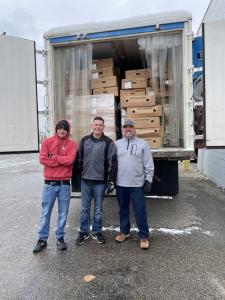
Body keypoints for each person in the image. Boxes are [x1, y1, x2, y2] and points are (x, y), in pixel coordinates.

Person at [33, 120, 77, 253]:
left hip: (64, 185)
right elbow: (42, 159)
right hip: (49, 184)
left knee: (63, 213)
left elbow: (70, 160)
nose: (62, 131)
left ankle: (60, 238)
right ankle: (42, 239)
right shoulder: (47, 142)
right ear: (56, 129)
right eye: (60, 128)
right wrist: (60, 159)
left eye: (64, 128)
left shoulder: (72, 144)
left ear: (68, 130)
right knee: (46, 212)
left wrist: (54, 158)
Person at [75, 116, 117, 245]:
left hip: (100, 182)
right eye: (96, 124)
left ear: (103, 127)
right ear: (92, 126)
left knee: (98, 209)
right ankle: (83, 232)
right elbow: (78, 160)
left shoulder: (109, 143)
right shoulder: (84, 141)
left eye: (100, 125)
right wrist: (77, 179)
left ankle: (97, 231)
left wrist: (111, 180)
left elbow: (112, 162)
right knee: (84, 209)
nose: (98, 127)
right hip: (85, 181)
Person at [115, 119, 154, 250]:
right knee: (123, 210)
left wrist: (149, 179)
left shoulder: (143, 144)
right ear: (122, 130)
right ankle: (124, 231)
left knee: (140, 211)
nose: (128, 129)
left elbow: (148, 163)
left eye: (130, 127)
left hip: (137, 184)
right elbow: (113, 164)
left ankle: (143, 236)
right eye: (125, 127)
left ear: (134, 129)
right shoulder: (117, 144)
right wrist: (111, 180)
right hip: (121, 184)